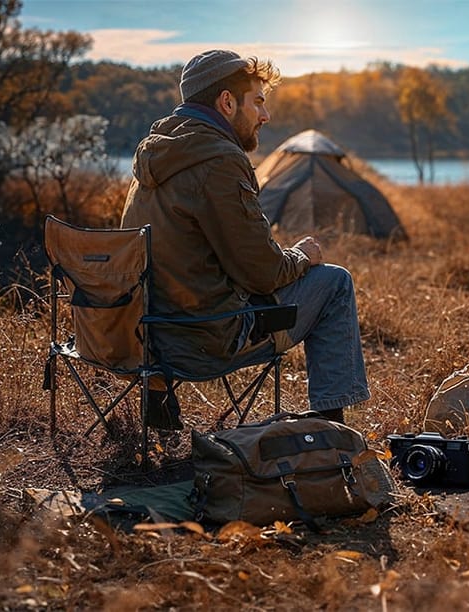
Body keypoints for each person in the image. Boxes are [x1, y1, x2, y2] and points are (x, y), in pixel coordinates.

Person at [121, 49, 369, 428]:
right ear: (226, 102)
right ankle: (329, 427)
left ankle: (157, 401)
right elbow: (263, 274)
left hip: (142, 337)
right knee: (335, 282)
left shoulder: (154, 153)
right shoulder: (218, 160)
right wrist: (301, 255)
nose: (265, 116)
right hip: (203, 342)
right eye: (258, 102)